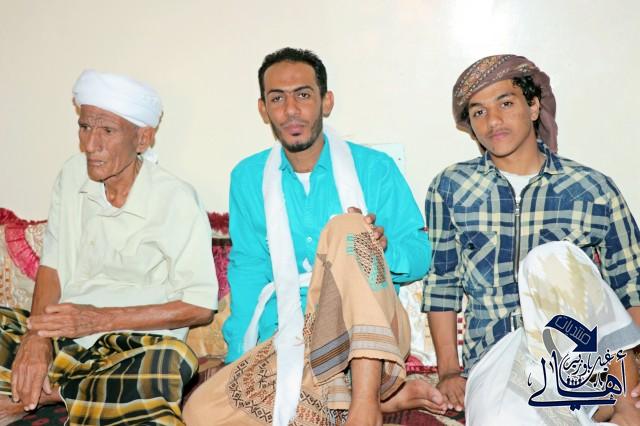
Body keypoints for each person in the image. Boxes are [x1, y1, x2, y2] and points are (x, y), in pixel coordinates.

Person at [183, 47, 444, 425]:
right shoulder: (247, 177)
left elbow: (419, 254)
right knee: (200, 412)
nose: (291, 110)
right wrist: (240, 354)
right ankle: (374, 398)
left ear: (326, 101)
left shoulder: (375, 168)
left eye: (303, 95)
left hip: (369, 337)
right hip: (289, 334)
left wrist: (380, 250)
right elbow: (248, 267)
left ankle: (366, 404)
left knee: (348, 227)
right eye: (277, 98)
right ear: (263, 109)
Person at [422, 54, 640, 424]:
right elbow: (443, 284)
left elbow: (630, 285)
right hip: (497, 354)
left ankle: (625, 406)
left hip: (580, 352)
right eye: (478, 112)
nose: (493, 121)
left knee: (550, 258)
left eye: (505, 104)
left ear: (534, 106)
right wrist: (448, 372)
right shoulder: (452, 187)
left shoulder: (592, 188)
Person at [0, 70, 218, 425]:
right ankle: (67, 389)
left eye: (107, 131)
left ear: (143, 138)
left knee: (170, 362)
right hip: (64, 335)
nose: (90, 144)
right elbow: (52, 265)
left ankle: (49, 392)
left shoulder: (175, 199)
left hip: (131, 347)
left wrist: (98, 319)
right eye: (85, 127)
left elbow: (199, 307)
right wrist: (37, 336)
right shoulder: (72, 175)